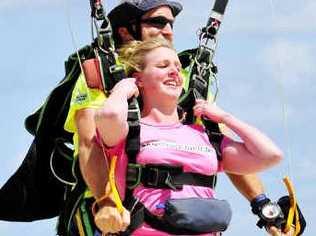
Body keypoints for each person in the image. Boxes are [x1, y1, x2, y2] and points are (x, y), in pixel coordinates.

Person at [65, 1, 299, 235]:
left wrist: (262, 204)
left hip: (188, 211)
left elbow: (219, 143)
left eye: (171, 23)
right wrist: (106, 201)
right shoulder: (103, 79)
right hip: (113, 203)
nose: (167, 30)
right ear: (126, 30)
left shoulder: (185, 79)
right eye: (157, 22)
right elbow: (89, 144)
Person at [91, 36, 282, 235]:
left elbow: (270, 155)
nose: (174, 71)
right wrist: (122, 89)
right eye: (163, 66)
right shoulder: (128, 131)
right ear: (139, 79)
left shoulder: (204, 136)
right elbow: (109, 114)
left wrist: (225, 118)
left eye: (177, 66)